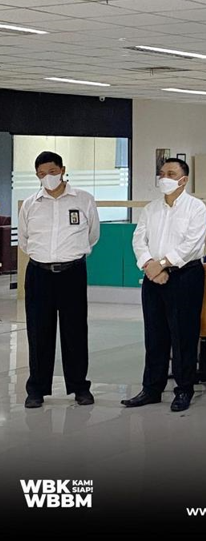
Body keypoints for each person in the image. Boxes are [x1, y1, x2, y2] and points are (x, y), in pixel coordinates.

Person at [123, 158, 206, 413]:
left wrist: (162, 264)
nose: (164, 178)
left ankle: (184, 389)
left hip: (184, 276)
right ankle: (151, 388)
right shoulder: (151, 208)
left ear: (184, 179)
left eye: (171, 173)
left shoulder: (196, 208)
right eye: (161, 173)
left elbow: (191, 244)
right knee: (154, 334)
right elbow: (139, 239)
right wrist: (149, 265)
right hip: (153, 276)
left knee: (183, 335)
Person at [18, 151, 99, 409]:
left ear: (62, 170)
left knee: (75, 331)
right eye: (42, 174)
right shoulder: (30, 204)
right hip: (39, 273)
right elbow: (25, 240)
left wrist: (70, 254)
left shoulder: (83, 199)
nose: (48, 177)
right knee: (38, 332)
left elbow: (92, 235)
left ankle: (80, 387)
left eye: (52, 172)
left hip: (72, 272)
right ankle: (36, 389)